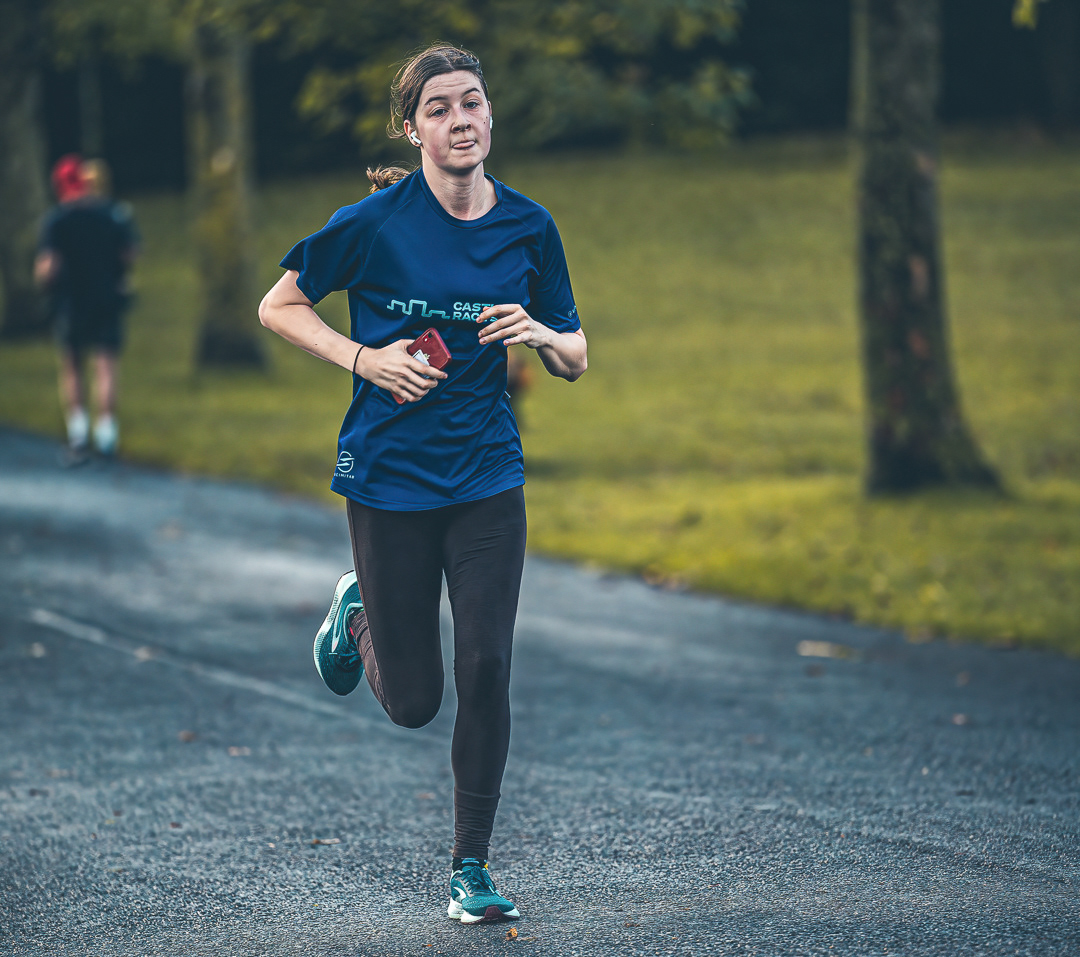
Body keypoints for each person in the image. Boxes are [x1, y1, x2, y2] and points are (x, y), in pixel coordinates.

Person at [259, 43, 587, 924]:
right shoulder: (374, 224)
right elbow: (279, 304)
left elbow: (576, 354)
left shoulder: (529, 227)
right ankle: (356, 612)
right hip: (389, 477)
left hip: (486, 475)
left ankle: (469, 866)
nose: (460, 120)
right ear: (412, 131)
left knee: (487, 664)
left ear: (490, 115)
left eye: (471, 102)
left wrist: (541, 334)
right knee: (413, 703)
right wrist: (363, 358)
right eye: (438, 109)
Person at [35, 155, 139, 463]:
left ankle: (78, 435)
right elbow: (130, 253)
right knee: (105, 366)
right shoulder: (112, 215)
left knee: (72, 366)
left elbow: (48, 267)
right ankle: (107, 436)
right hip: (107, 297)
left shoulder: (57, 220)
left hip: (72, 300)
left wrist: (43, 281)